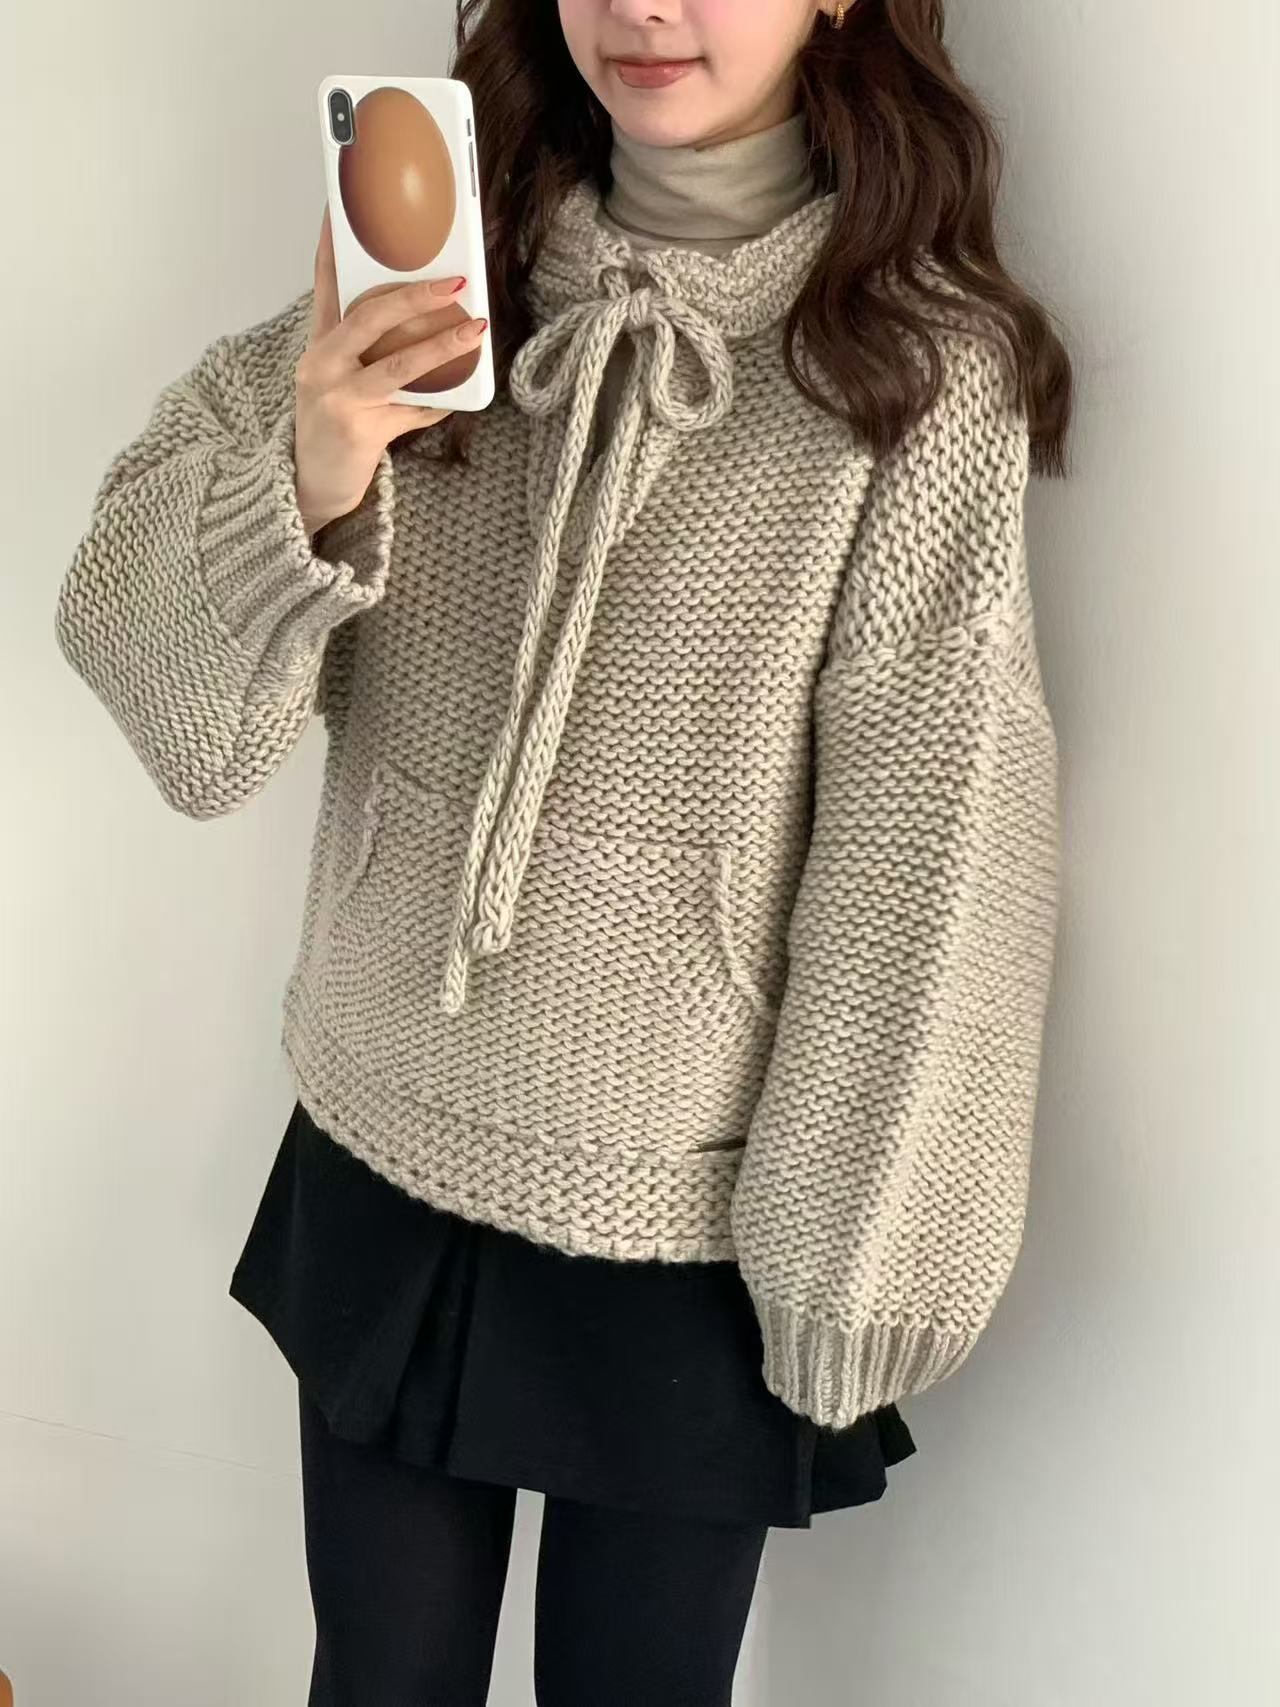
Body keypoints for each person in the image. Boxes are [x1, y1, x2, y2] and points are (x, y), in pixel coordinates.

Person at [53, 1, 1072, 1702]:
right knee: (376, 1680)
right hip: (382, 1139)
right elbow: (177, 709)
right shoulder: (446, 274)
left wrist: (864, 1251)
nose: (640, 8)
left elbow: (939, 832)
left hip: (689, 1216)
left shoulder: (910, 362)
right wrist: (308, 469)